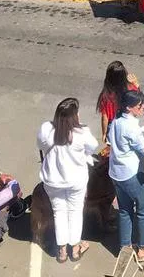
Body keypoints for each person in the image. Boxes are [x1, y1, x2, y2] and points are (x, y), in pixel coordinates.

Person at [37, 98, 99, 263]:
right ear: (74, 116)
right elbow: (93, 147)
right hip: (76, 181)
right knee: (75, 212)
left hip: (52, 181)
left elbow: (40, 145)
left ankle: (62, 251)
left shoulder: (46, 129)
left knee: (59, 213)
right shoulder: (81, 133)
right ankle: (76, 249)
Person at [107, 90, 144, 262]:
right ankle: (143, 248)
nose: (142, 107)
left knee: (125, 210)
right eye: (139, 106)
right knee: (143, 211)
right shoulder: (131, 127)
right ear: (129, 108)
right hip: (132, 174)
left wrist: (142, 129)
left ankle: (125, 246)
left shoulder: (116, 121)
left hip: (116, 172)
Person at [96, 61, 138, 143]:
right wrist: (136, 84)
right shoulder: (131, 88)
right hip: (127, 122)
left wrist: (104, 133)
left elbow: (105, 118)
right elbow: (137, 101)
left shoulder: (106, 95)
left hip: (112, 126)